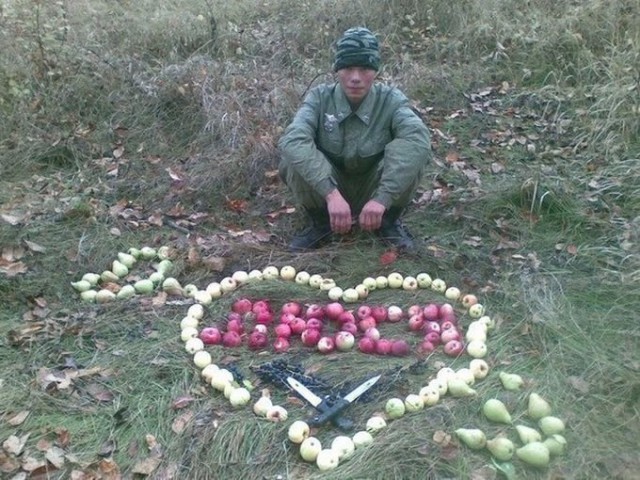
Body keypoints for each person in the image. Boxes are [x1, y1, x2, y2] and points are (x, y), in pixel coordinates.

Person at [278, 27, 431, 251]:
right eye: (348, 68)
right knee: (292, 158)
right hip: (329, 187)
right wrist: (331, 195)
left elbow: (417, 140)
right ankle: (321, 223)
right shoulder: (319, 98)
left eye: (365, 69)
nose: (356, 78)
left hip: (374, 188)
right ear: (337, 70)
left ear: (376, 71)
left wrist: (383, 198)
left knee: (414, 156)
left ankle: (387, 222)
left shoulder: (391, 100)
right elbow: (293, 139)